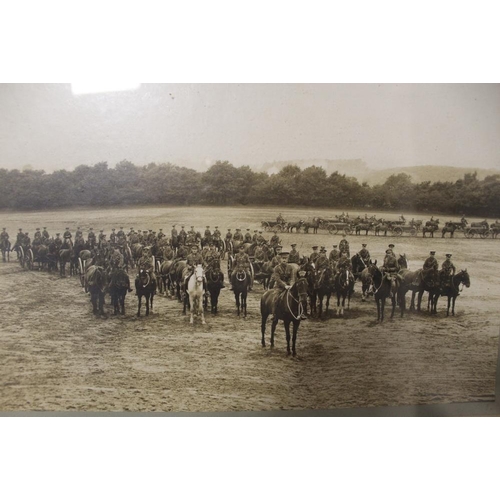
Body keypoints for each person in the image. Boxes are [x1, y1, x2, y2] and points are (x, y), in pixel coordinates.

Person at [271, 252, 307, 320]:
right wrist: (285, 286)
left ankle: (301, 313)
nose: (284, 260)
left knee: (298, 297)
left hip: (290, 286)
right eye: (283, 258)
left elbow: (292, 277)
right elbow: (277, 279)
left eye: (286, 258)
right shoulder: (277, 268)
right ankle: (274, 313)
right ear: (280, 259)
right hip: (279, 287)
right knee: (275, 297)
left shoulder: (291, 267)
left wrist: (291, 285)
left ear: (288, 259)